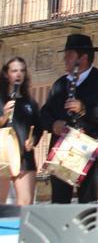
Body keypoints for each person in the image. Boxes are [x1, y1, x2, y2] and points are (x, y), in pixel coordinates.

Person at [39, 34, 98, 203]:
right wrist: (53, 124)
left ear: (83, 57)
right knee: (59, 202)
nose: (65, 59)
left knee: (88, 202)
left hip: (90, 149)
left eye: (69, 55)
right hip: (63, 150)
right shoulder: (61, 84)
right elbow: (45, 114)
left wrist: (85, 109)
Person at [0, 57, 40, 205]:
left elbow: (38, 127)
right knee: (2, 206)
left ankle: (21, 229)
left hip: (24, 157)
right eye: (14, 71)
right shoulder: (1, 99)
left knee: (25, 203)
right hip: (2, 156)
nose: (18, 74)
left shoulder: (30, 102)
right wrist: (3, 117)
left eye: (22, 70)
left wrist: (33, 139)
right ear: (6, 74)